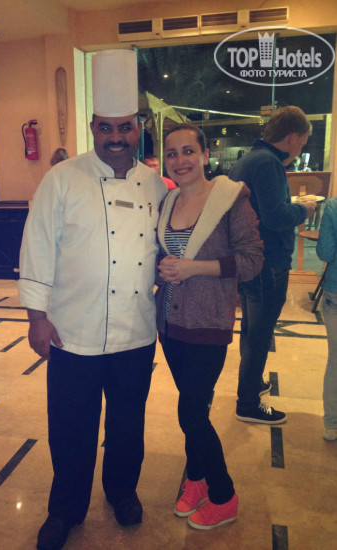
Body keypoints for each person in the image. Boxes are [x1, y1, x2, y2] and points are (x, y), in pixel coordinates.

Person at [18, 49, 167, 550]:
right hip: (72, 331)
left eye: (125, 127)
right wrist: (36, 317)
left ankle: (122, 491)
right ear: (93, 128)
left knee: (128, 424)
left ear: (138, 127)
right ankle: (64, 510)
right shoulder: (62, 179)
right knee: (70, 429)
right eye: (106, 128)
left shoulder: (155, 185)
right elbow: (37, 248)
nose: (116, 137)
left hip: (135, 331)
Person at [155, 124, 263, 530]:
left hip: (208, 322)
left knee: (191, 413)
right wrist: (163, 267)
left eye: (188, 151)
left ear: (204, 155)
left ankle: (223, 494)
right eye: (172, 153)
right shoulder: (168, 201)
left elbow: (252, 261)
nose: (180, 160)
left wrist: (193, 268)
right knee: (193, 406)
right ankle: (196, 478)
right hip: (169, 321)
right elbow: (162, 253)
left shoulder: (230, 198)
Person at [229, 106, 317, 424]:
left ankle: (252, 385)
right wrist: (304, 210)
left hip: (250, 259)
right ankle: (248, 404)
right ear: (292, 137)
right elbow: (276, 217)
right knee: (259, 333)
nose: (300, 150)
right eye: (302, 143)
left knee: (251, 329)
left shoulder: (249, 160)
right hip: (267, 262)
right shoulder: (269, 163)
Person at [316, 196, 337, 442]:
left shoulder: (333, 206)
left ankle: (332, 424)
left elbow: (325, 252)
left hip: (335, 290)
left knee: (336, 360)